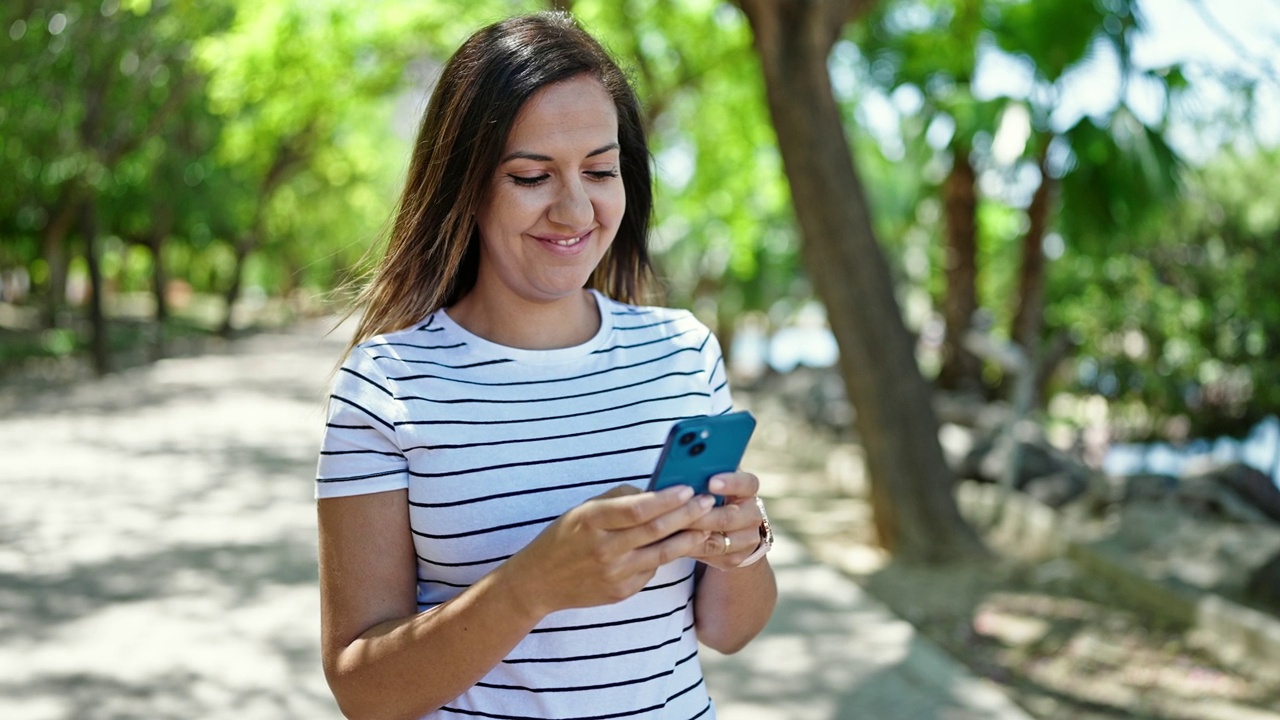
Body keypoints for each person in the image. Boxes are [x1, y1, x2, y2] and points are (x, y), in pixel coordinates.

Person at [315, 12, 777, 720]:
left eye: (599, 170)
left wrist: (741, 547)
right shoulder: (384, 387)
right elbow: (361, 688)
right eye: (532, 176)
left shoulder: (683, 352)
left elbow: (729, 630)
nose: (574, 210)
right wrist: (531, 584)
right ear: (465, 185)